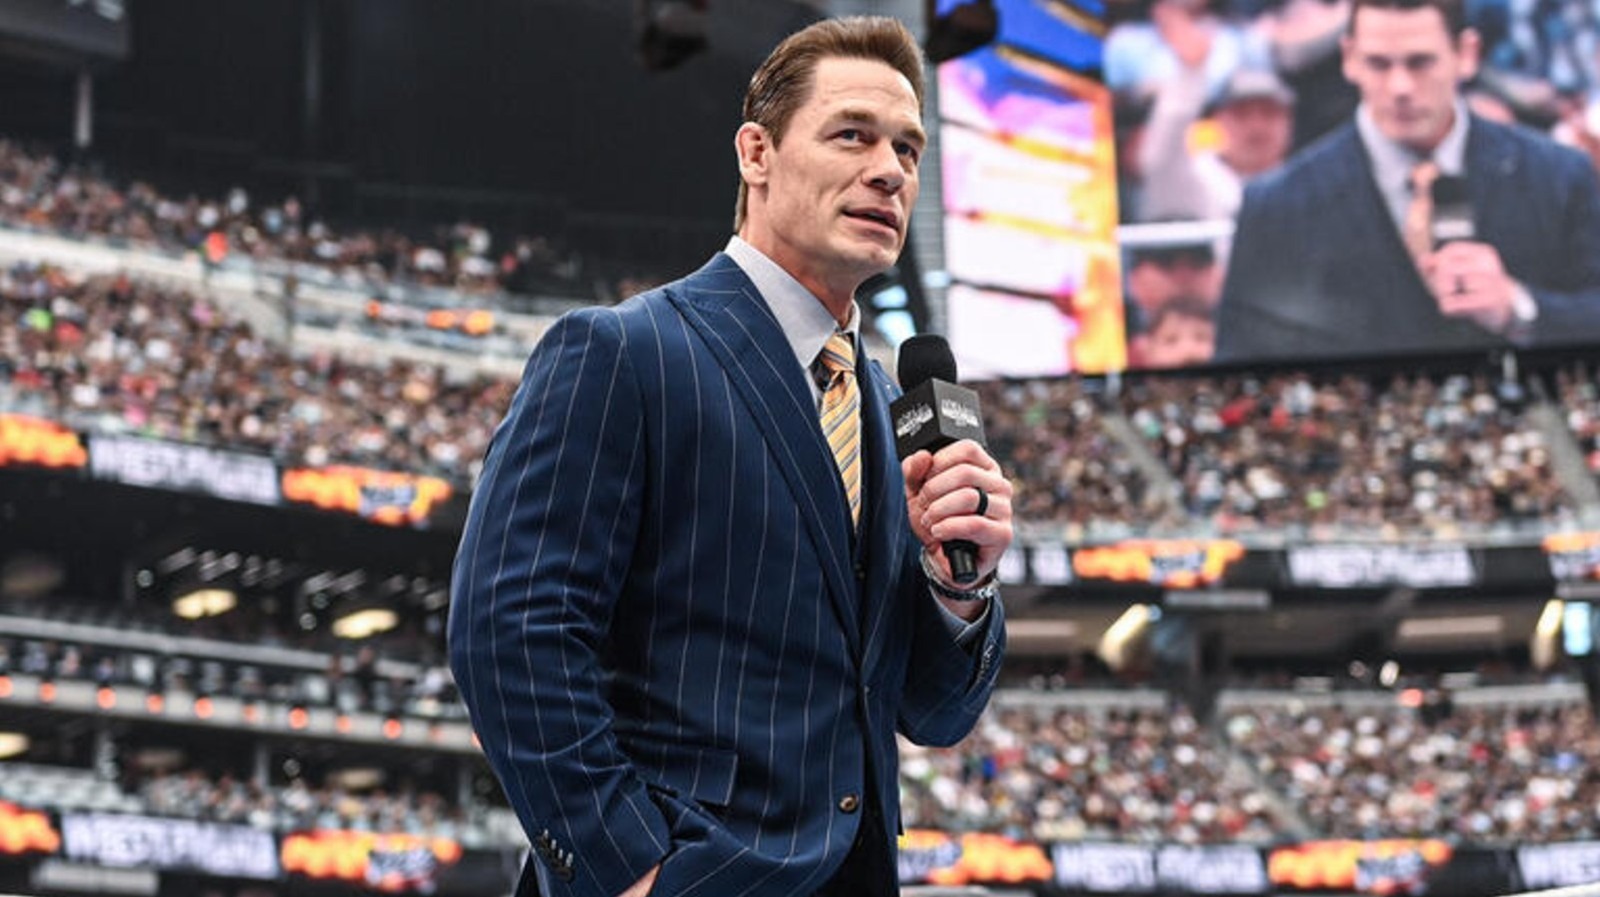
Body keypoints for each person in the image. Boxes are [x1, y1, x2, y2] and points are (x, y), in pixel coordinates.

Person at [448, 16, 1012, 897]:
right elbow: (510, 628)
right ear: (757, 153)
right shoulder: (623, 351)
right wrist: (627, 866)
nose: (889, 171)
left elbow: (932, 711)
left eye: (907, 149)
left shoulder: (886, 405)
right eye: (852, 135)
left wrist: (956, 588)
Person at [1214, 0, 1600, 363]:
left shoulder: (1560, 175)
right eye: (1379, 64)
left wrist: (1519, 308)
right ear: (1349, 59)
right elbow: (1242, 361)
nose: (1400, 87)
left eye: (1420, 62)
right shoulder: (1278, 204)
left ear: (1466, 55)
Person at [1139, 66, 1296, 222]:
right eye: (1241, 114)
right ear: (1219, 121)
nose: (1256, 126)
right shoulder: (1194, 176)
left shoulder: (1302, 182)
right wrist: (1190, 72)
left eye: (1269, 113)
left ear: (1289, 122)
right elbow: (1160, 159)